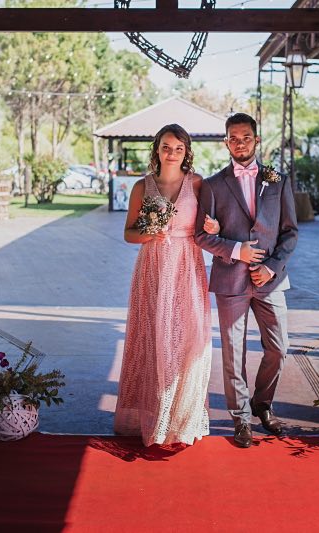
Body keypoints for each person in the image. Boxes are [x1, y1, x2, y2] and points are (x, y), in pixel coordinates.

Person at [195, 113, 298, 448]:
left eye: (246, 137)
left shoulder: (278, 181)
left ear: (257, 139)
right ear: (226, 142)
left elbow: (290, 233)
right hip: (230, 280)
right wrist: (236, 250)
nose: (240, 144)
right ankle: (240, 418)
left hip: (270, 280)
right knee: (233, 352)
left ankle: (262, 403)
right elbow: (201, 236)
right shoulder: (212, 185)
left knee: (278, 348)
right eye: (233, 139)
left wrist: (272, 267)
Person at [114, 124, 220, 447]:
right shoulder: (141, 187)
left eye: (178, 148)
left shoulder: (198, 183)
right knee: (153, 338)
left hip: (187, 267)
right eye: (166, 147)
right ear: (157, 150)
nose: (172, 153)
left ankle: (182, 418)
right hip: (153, 267)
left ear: (186, 152)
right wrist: (150, 233)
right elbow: (129, 233)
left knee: (187, 339)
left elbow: (210, 226)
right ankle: (152, 416)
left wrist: (214, 227)